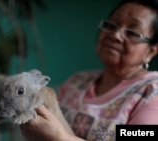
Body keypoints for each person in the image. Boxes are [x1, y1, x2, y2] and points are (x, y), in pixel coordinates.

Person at [20, 0, 158, 140]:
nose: (115, 35)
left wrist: (60, 138)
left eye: (133, 32)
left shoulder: (152, 94)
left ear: (152, 51)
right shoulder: (77, 81)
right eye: (111, 25)